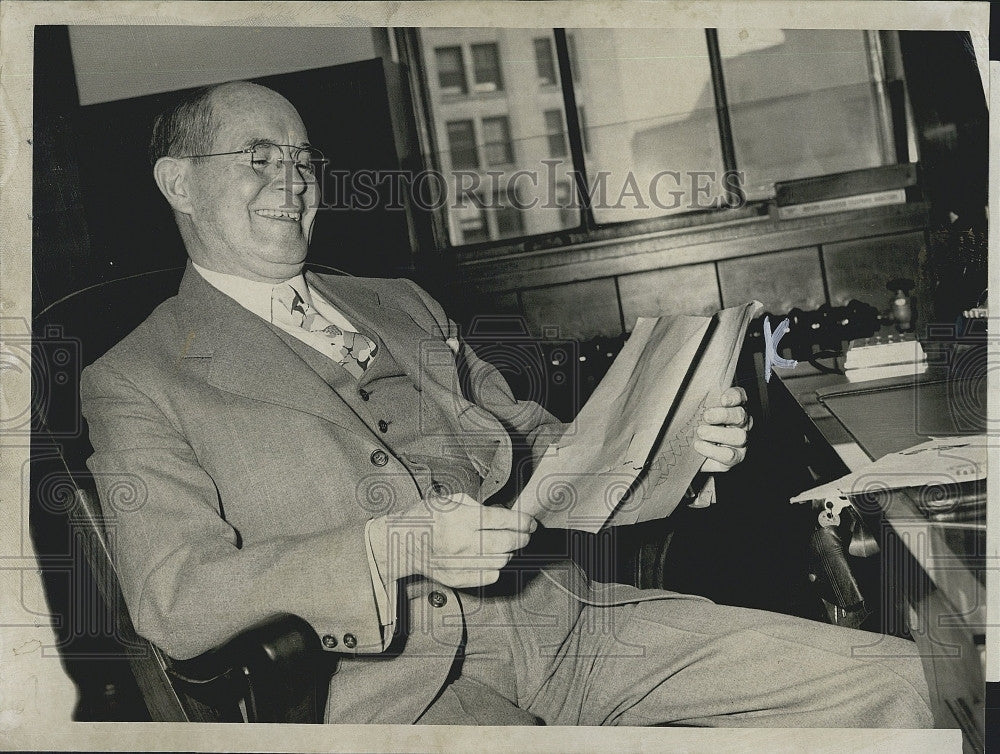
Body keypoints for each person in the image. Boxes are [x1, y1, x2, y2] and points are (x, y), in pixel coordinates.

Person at [81, 80, 933, 727]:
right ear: (178, 184)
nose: (294, 181)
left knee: (904, 682)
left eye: (304, 161)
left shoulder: (398, 300)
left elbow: (531, 441)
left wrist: (677, 450)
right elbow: (175, 598)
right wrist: (392, 545)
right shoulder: (138, 378)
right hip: (389, 695)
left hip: (562, 624)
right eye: (259, 159)